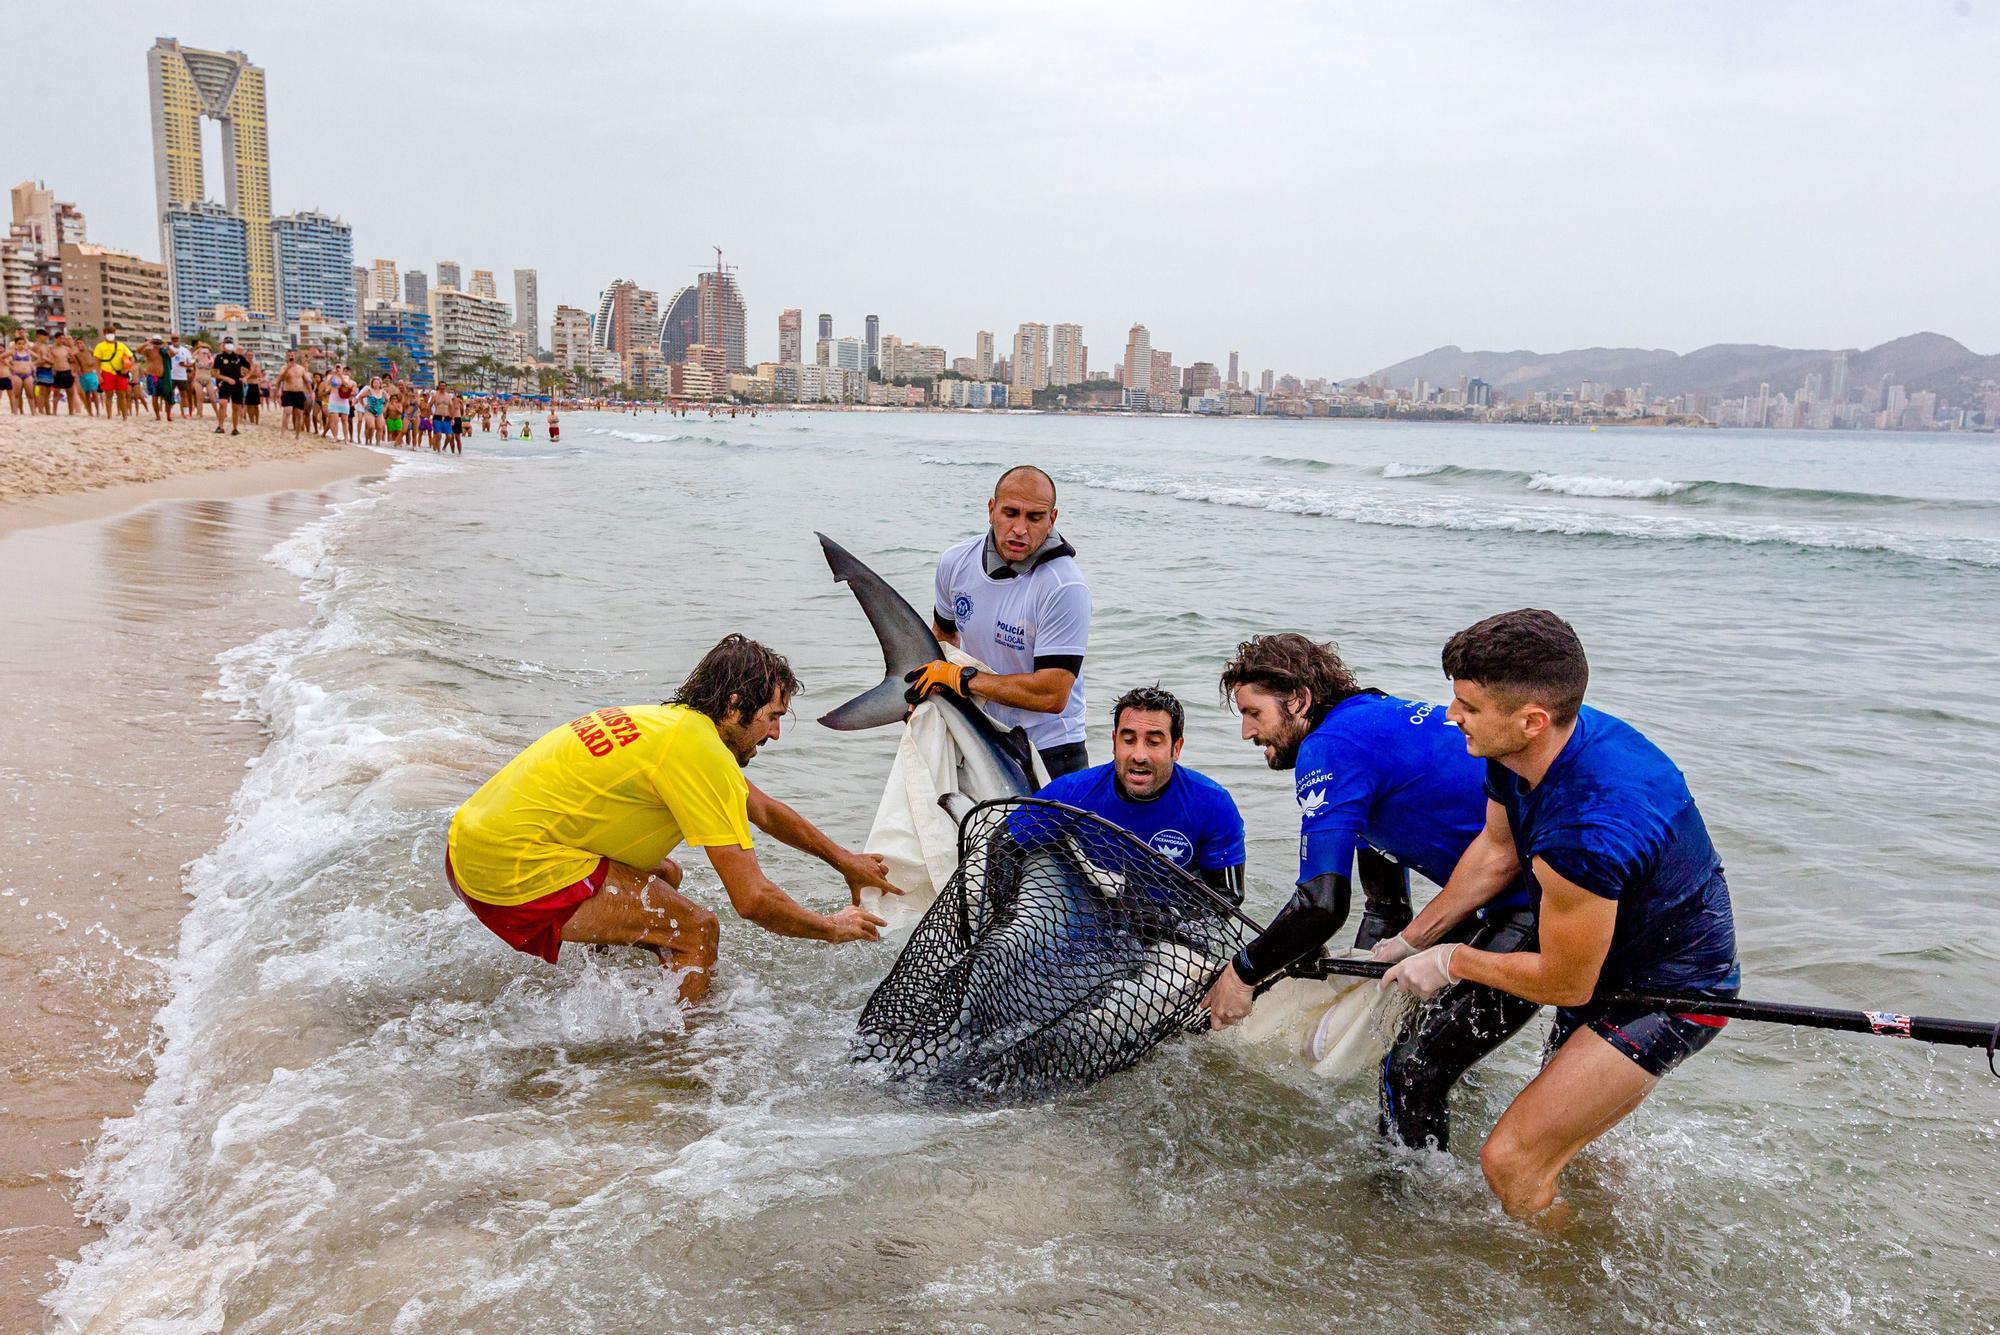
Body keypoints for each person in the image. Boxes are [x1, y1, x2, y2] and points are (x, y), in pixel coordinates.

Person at [1378, 610, 1739, 1220]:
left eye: (1467, 705)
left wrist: (1454, 960)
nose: (1450, 716)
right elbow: (1496, 853)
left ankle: (1565, 1285)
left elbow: (1567, 982)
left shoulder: (1584, 831)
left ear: (1532, 720)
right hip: (1599, 953)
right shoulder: (1522, 747)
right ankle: (1607, 1238)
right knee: (1568, 1150)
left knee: (1511, 1159)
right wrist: (1411, 941)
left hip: (1672, 990)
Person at [1199, 633, 1541, 1154]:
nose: (1247, 732)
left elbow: (1321, 904)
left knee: (1412, 1068)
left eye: (1253, 713)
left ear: (1299, 701)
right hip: (1508, 899)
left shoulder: (1329, 748)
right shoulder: (1367, 724)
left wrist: (1242, 975)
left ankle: (1412, 1209)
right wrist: (1334, 978)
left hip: (1540, 906)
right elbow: (1385, 909)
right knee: (1435, 1043)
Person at [446, 634, 899, 1001]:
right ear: (735, 706)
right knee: (697, 930)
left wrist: (845, 861)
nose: (776, 734)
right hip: (508, 877)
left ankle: (607, 992)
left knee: (666, 874)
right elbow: (753, 900)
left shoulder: (673, 726)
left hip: (469, 848)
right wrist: (831, 927)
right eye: (772, 717)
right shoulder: (700, 755)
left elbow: (762, 810)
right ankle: (674, 1056)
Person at [908, 465, 1093, 780]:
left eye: (1035, 517)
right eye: (1011, 513)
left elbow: (1052, 694)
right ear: (991, 510)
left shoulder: (1064, 586)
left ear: (1053, 519)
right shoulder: (955, 562)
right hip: (982, 736)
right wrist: (928, 694)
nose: (1020, 528)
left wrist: (962, 680)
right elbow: (944, 637)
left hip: (1051, 746)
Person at [1019, 685, 1245, 901]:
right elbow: (1005, 843)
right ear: (1114, 742)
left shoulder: (1213, 805)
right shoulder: (1071, 794)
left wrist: (1175, 924)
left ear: (1176, 748)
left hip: (1177, 928)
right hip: (1094, 919)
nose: (1139, 755)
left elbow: (1228, 896)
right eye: (1128, 740)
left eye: (1153, 742)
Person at [212, 337, 248, 435]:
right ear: (223, 345)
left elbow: (250, 367)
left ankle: (235, 428)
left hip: (237, 384)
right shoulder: (219, 357)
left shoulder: (239, 357)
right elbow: (214, 373)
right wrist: (226, 379)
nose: (229, 344)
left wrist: (245, 377)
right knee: (223, 403)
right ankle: (220, 426)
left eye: (230, 343)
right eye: (227, 343)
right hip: (224, 384)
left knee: (236, 407)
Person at [276, 351, 311, 436]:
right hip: (288, 392)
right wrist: (288, 368)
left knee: (299, 414)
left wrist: (311, 392)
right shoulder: (284, 368)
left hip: (299, 393)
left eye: (292, 355)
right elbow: (281, 379)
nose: (291, 357)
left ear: (295, 356)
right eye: (289, 356)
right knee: (287, 411)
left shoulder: (301, 368)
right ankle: (282, 433)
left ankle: (297, 435)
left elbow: (307, 381)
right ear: (286, 357)